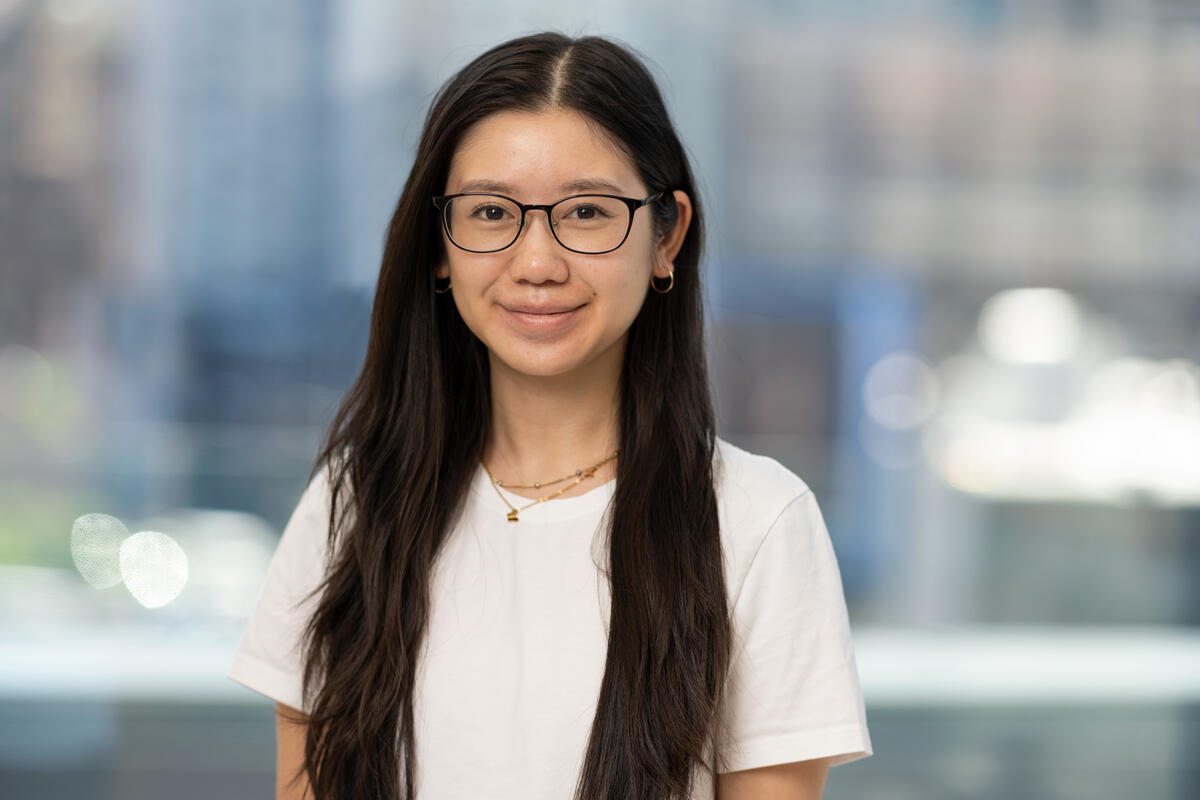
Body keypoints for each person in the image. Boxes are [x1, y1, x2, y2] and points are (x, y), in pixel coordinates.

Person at [227, 31, 871, 800]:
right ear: (440, 244)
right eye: (493, 212)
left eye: (588, 212)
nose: (537, 263)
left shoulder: (757, 522)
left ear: (667, 235)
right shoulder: (356, 501)